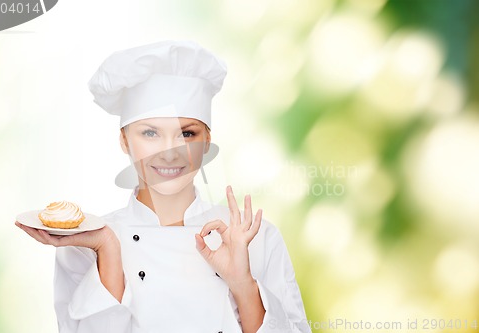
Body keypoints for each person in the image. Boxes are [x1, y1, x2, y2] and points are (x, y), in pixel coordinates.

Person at [16, 40, 311, 333]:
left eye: (186, 132)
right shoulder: (85, 245)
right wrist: (108, 248)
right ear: (124, 140)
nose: (170, 152)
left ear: (207, 141)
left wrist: (242, 284)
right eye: (150, 133)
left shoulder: (257, 239)